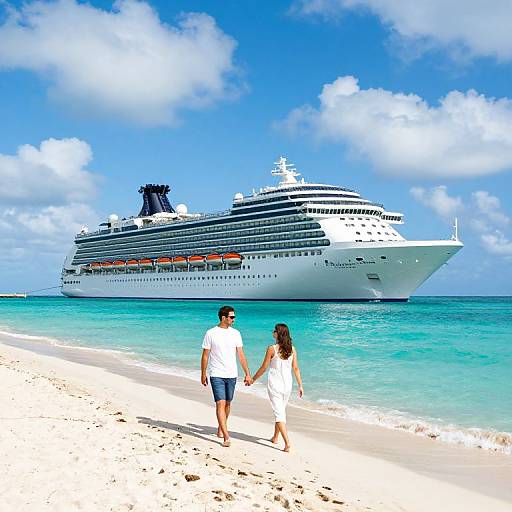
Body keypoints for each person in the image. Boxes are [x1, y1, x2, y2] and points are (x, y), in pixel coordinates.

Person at [201, 305, 252, 447]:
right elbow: (205, 356)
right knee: (220, 403)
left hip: (232, 374)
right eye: (231, 317)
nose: (234, 319)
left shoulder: (236, 333)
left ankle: (220, 427)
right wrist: (203, 373)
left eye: (234, 317)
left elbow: (241, 355)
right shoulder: (211, 333)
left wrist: (247, 373)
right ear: (223, 318)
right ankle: (226, 436)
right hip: (216, 373)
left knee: (228, 403)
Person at [252, 323, 303, 452]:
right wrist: (300, 385)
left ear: (278, 334)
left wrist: (252, 379)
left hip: (275, 384)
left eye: (274, 330)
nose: (272, 332)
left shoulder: (272, 349)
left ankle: (287, 443)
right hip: (288, 385)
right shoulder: (292, 349)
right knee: (280, 411)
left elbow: (264, 368)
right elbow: (295, 368)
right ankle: (275, 437)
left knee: (279, 413)